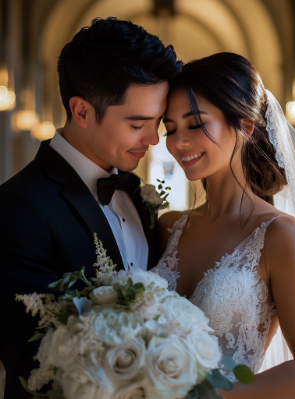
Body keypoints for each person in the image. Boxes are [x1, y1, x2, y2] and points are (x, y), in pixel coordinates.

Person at [0, 17, 182, 399]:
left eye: (157, 123)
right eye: (138, 123)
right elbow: (32, 363)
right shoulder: (18, 207)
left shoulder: (135, 193)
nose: (153, 139)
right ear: (81, 111)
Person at [155, 52, 295, 398]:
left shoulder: (280, 236)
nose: (178, 142)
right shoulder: (168, 227)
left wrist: (211, 396)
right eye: (170, 129)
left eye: (195, 123)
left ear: (244, 125)